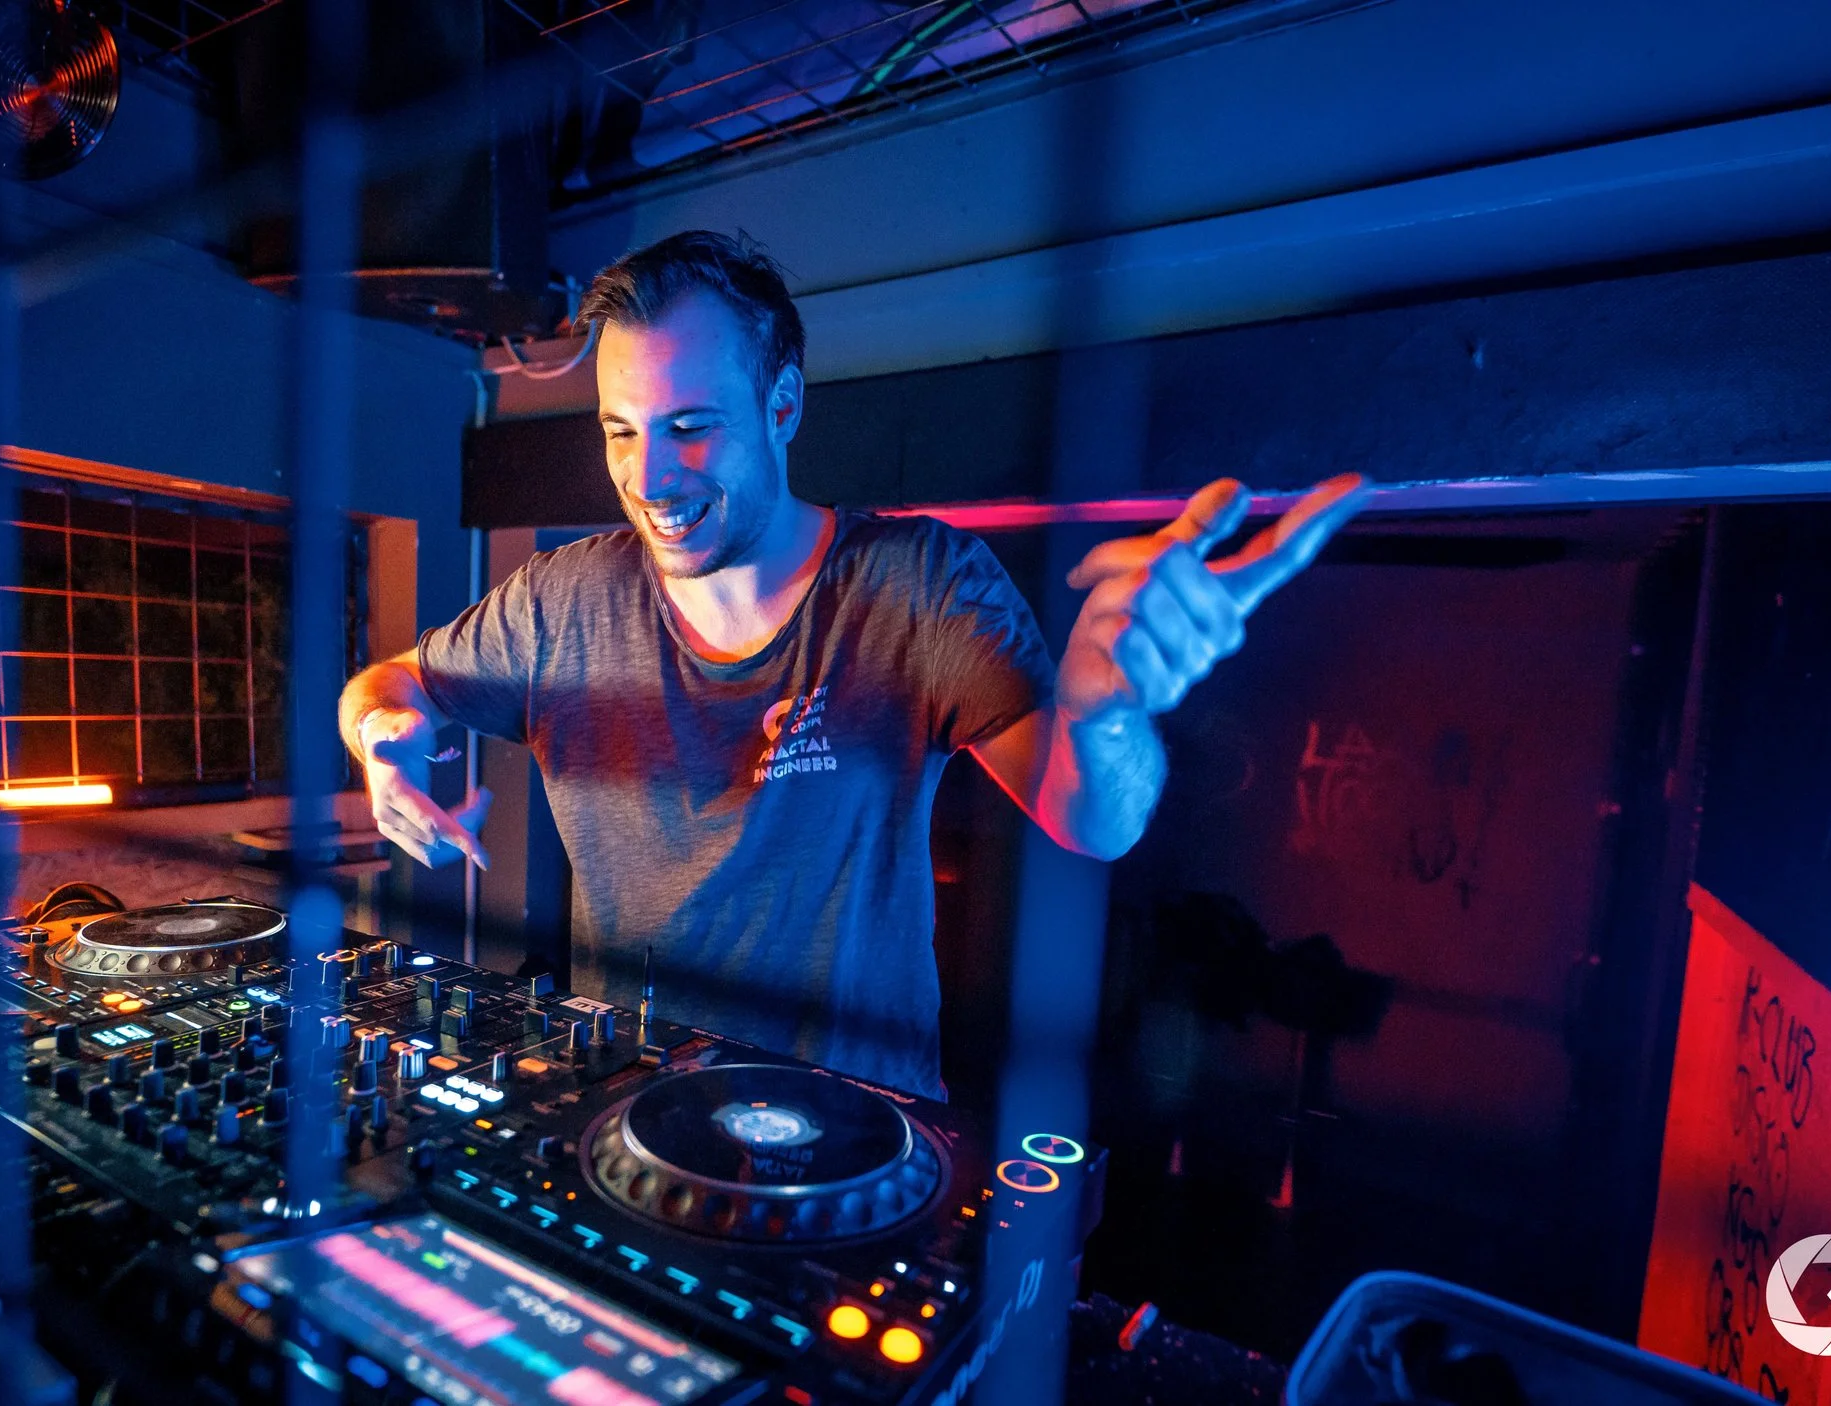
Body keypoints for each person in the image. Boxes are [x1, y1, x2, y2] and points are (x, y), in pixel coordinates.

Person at [338, 230, 1367, 1095]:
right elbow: (386, 683)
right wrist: (385, 736)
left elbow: (1092, 816)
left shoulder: (915, 584)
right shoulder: (562, 599)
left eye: (691, 428)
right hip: (635, 1106)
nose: (648, 476)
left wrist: (1107, 712)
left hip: (857, 1134)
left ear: (783, 405)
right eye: (621, 430)